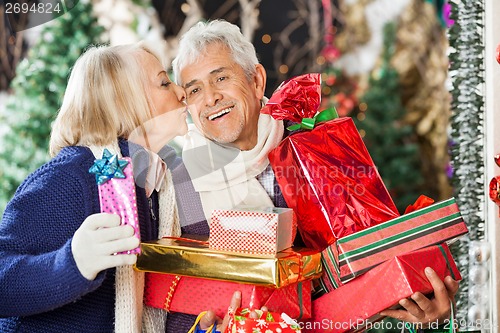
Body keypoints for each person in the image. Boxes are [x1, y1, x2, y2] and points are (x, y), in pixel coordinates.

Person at [170, 19, 460, 331]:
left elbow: (373, 267)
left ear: (256, 81)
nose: (210, 98)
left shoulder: (318, 150)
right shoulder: (177, 186)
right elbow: (167, 305)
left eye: (221, 78)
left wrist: (424, 311)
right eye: (195, 90)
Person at [0, 42, 194, 333]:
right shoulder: (69, 178)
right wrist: (73, 262)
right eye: (164, 82)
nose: (182, 93)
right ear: (124, 100)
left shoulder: (157, 184)